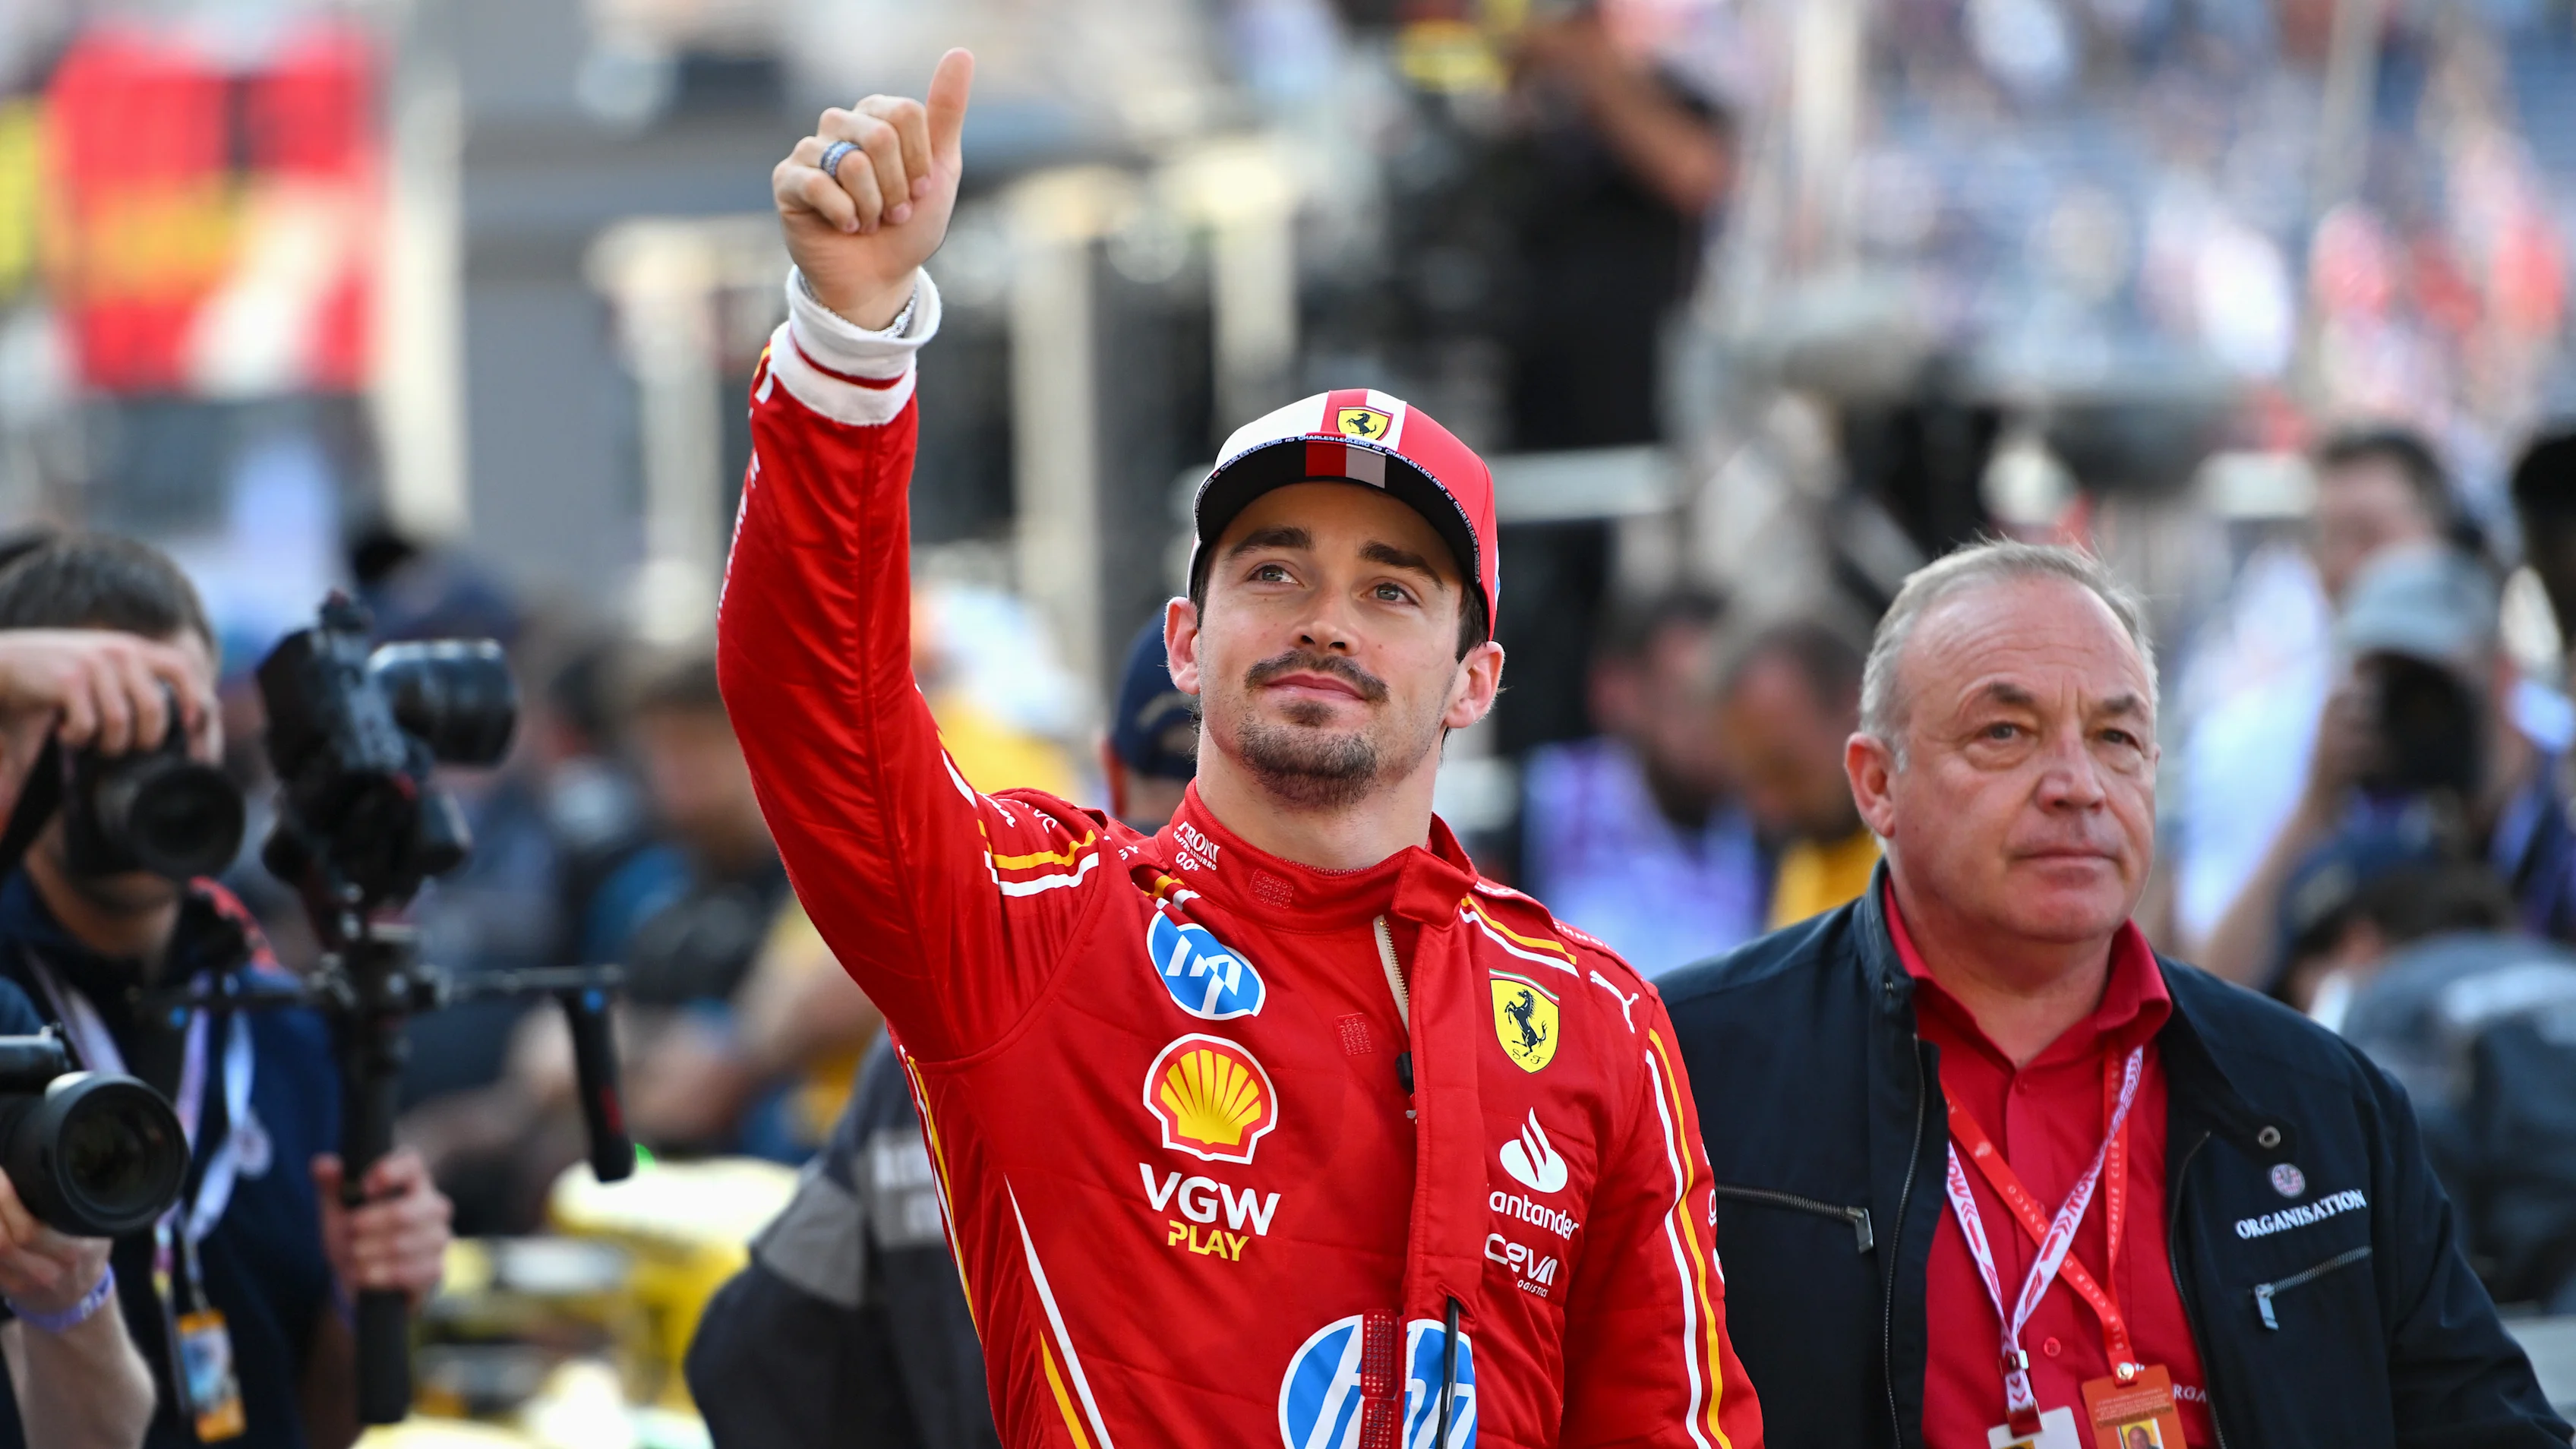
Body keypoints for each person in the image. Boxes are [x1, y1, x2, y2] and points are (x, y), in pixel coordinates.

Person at [718, 49, 1761, 1447]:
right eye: (1274, 571)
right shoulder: (1040, 936)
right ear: (1185, 640)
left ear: (1475, 679)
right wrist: (850, 337)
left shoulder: (1600, 1028)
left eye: (1392, 589)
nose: (1327, 619)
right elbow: (816, 705)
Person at [1661, 540, 2566, 1447]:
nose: (2075, 786)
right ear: (1875, 784)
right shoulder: (1687, 1071)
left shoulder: (2321, 1102)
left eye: (2114, 738)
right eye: (2003, 733)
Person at [0, 535, 452, 1449]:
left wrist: (361, 1299)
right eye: (94, 718)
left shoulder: (288, 1022)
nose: (145, 755)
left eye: (175, 716)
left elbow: (323, 1426)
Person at [2196, 546, 2567, 987]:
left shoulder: (2562, 812)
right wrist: (2315, 805)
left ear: (2504, 676)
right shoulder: (2385, 832)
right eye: (2390, 690)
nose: (2416, 715)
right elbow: (2217, 988)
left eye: (2429, 687)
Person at [2171, 428, 2456, 949]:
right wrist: (2315, 805)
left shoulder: (2527, 725)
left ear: (2443, 537)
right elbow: (2209, 980)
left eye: (2372, 535)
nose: (2350, 565)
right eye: (2329, 538)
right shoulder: (2244, 739)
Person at [1519, 590, 1768, 974]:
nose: (1711, 726)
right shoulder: (1545, 802)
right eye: (1689, 697)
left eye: (1726, 702)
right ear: (1627, 694)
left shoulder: (1771, 829)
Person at [1714, 620, 1878, 930]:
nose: (1769, 807)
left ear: (1855, 705)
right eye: (1752, 782)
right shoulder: (1798, 872)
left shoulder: (1935, 861)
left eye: (1785, 769)